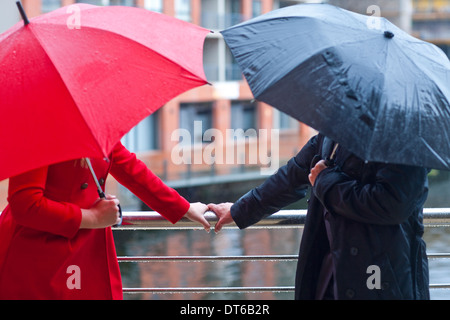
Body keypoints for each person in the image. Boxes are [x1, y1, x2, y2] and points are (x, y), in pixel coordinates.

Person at [208, 133, 430, 300]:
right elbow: (293, 175)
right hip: (330, 266)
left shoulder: (407, 139)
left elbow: (392, 205)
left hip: (382, 274)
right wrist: (239, 210)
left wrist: (326, 181)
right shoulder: (336, 131)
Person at [0, 141, 210, 300]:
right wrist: (94, 217)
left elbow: (130, 168)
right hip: (38, 252)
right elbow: (25, 204)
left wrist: (182, 207)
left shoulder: (93, 126)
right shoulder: (41, 127)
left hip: (83, 249)